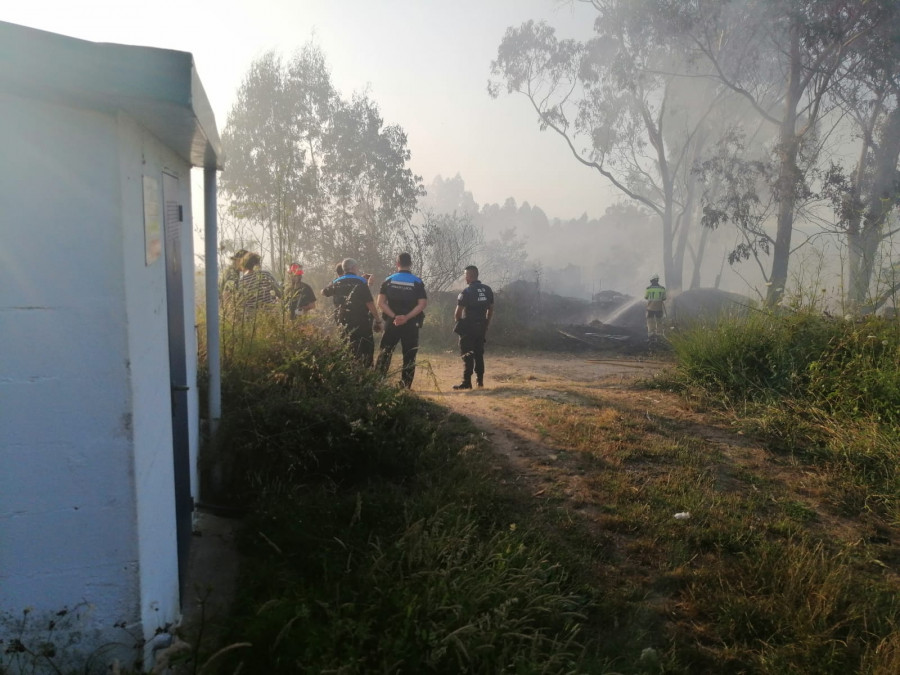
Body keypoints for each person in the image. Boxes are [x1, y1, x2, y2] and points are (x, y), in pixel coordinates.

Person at [375, 252, 428, 388]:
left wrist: (394, 316)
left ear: (397, 263)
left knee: (385, 352)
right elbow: (422, 304)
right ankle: (405, 386)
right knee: (409, 355)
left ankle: (378, 382)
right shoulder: (417, 282)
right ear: (410, 264)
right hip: (411, 324)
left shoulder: (388, 280)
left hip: (391, 323)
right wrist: (406, 317)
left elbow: (380, 303)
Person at [332, 258, 382, 366]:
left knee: (346, 350)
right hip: (361, 324)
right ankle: (366, 375)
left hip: (343, 323)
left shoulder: (336, 282)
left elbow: (327, 294)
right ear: (354, 267)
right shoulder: (361, 282)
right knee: (366, 351)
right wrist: (378, 320)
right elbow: (369, 303)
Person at [452, 265, 494, 390]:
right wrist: (486, 324)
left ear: (469, 276)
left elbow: (458, 313)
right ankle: (480, 382)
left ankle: (466, 382)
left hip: (468, 327)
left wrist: (459, 323)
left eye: (465, 275)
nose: (465, 278)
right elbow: (490, 310)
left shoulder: (466, 292)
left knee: (467, 354)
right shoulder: (488, 290)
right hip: (481, 326)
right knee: (479, 354)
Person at [644, 274, 667, 339]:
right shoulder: (662, 289)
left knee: (650, 319)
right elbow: (664, 298)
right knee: (659, 320)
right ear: (657, 280)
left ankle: (651, 332)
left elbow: (646, 297)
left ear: (652, 280)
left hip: (650, 308)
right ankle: (659, 333)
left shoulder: (648, 289)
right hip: (659, 308)